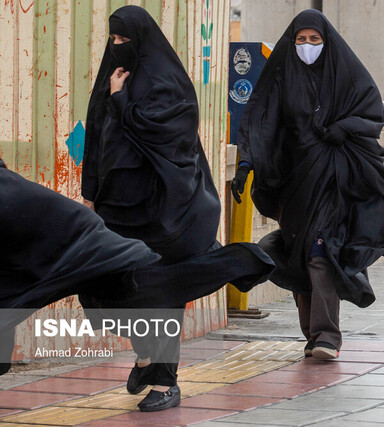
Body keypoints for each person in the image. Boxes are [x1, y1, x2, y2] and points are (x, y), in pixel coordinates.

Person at [81, 5, 273, 412]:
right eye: (112, 40)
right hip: (115, 209)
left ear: (141, 40)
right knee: (107, 288)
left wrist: (121, 103)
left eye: (123, 40)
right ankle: (148, 356)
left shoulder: (167, 83)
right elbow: (96, 137)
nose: (116, 47)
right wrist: (89, 192)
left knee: (161, 289)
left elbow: (167, 137)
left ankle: (163, 382)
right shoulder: (110, 79)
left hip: (162, 209)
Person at [231, 9, 384, 360]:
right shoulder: (282, 76)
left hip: (333, 179)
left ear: (326, 42)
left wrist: (344, 127)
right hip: (294, 184)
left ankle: (328, 336)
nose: (307, 46)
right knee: (300, 257)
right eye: (301, 40)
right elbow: (260, 123)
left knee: (320, 253)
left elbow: (373, 113)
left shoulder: (346, 75)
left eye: (314, 39)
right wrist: (244, 165)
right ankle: (312, 335)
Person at [0, 158, 274, 378]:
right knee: (112, 301)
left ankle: (239, 261)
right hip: (53, 256)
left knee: (154, 284)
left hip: (89, 244)